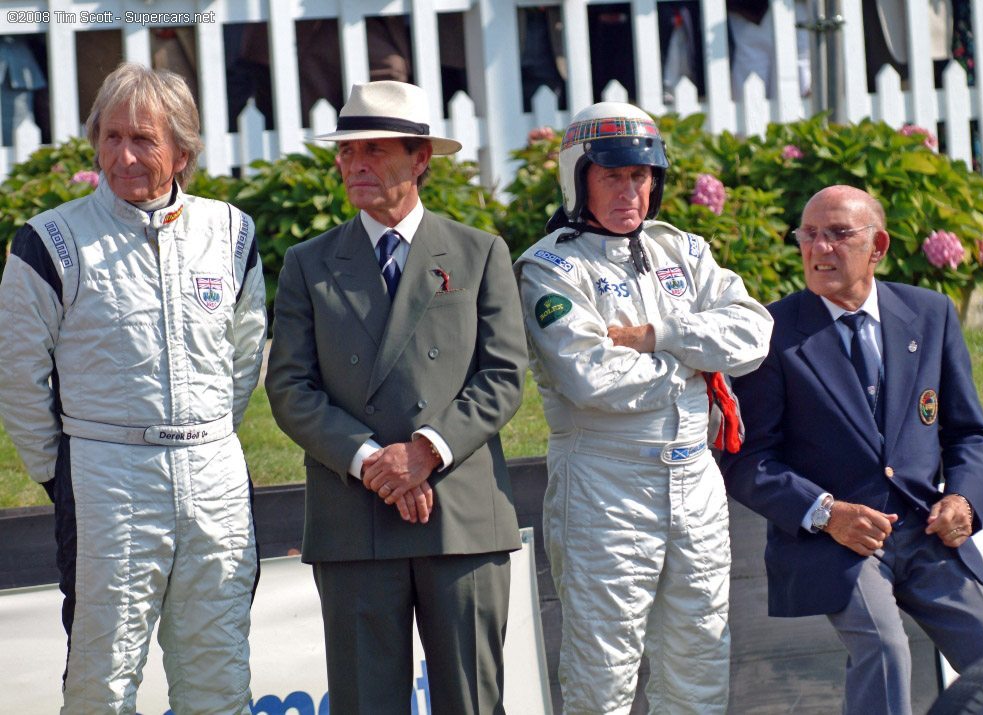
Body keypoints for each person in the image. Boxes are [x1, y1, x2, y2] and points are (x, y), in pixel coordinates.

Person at [0, 63, 267, 713]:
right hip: (106, 483)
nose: (122, 155)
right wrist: (64, 474)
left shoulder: (232, 233)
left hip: (215, 482)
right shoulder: (50, 242)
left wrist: (199, 440)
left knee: (220, 680)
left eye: (143, 139)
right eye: (110, 135)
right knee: (102, 682)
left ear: (183, 149)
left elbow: (246, 353)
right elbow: (18, 376)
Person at [264, 80, 528, 712]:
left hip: (460, 516)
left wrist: (425, 453)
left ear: (420, 160)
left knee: (470, 701)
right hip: (355, 518)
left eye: (376, 150)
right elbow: (289, 386)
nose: (356, 164)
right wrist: (372, 462)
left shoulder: (479, 251)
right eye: (347, 151)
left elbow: (504, 374)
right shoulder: (309, 262)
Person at [513, 101, 773, 714]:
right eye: (613, 176)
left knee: (700, 666)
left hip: (697, 481)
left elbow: (755, 333)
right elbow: (593, 377)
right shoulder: (550, 266)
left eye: (641, 176)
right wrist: (696, 356)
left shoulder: (681, 249)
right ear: (579, 177)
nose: (630, 191)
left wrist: (658, 337)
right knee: (602, 676)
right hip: (606, 483)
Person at [721, 185, 983, 715]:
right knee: (884, 650)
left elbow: (970, 432)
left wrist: (962, 500)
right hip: (835, 543)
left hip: (925, 533)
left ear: (878, 247)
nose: (819, 248)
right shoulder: (772, 333)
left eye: (838, 234)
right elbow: (746, 460)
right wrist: (827, 514)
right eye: (809, 235)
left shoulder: (930, 313)